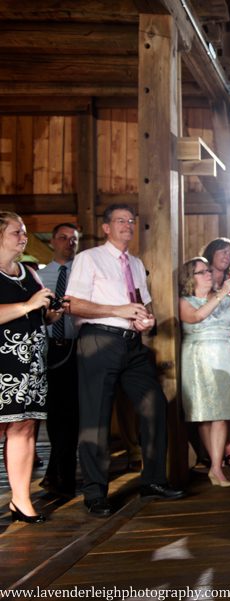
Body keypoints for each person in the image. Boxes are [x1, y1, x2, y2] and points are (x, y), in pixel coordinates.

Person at [66, 204, 184, 517]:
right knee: (96, 418)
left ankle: (154, 480)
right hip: (98, 340)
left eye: (131, 221)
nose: (127, 225)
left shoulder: (135, 262)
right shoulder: (88, 258)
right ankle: (95, 493)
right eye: (120, 220)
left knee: (155, 404)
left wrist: (146, 319)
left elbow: (141, 304)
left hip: (133, 345)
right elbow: (72, 304)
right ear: (106, 227)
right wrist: (118, 310)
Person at [0, 212, 58, 523]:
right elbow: (24, 308)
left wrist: (52, 313)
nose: (23, 238)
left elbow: (39, 313)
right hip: (2, 364)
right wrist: (27, 306)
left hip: (31, 365)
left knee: (24, 427)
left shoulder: (29, 272)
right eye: (16, 233)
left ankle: (21, 500)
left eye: (23, 232)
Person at [179, 257, 230, 487]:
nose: (208, 274)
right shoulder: (184, 301)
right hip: (199, 356)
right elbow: (196, 317)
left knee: (222, 412)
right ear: (190, 278)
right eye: (202, 272)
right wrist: (222, 292)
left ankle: (216, 467)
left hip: (226, 354)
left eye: (208, 270)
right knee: (204, 413)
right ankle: (213, 462)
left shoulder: (226, 298)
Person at [37, 222, 80, 500]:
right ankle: (57, 469)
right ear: (53, 241)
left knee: (74, 413)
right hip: (51, 349)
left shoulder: (85, 275)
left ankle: (62, 471)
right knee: (55, 414)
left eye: (74, 239)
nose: (69, 243)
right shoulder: (40, 276)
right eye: (63, 238)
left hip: (79, 348)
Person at [202, 238, 230, 467]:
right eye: (222, 250)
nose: (227, 255)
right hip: (204, 343)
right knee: (209, 398)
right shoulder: (200, 277)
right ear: (211, 252)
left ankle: (229, 445)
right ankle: (212, 452)